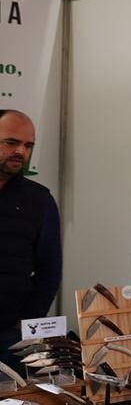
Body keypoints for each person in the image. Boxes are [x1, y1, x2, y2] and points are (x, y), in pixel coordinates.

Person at [0, 111, 61, 369]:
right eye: (11, 142)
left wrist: (27, 320)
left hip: (9, 337)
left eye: (28, 145)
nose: (21, 152)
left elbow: (50, 270)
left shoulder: (40, 201)